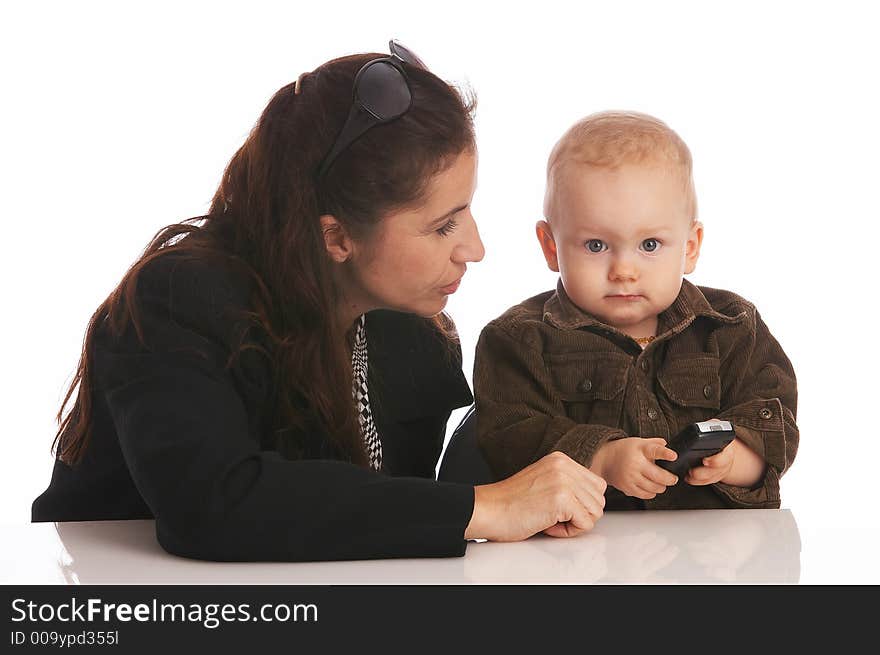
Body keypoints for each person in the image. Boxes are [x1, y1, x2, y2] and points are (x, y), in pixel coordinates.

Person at [32, 42, 607, 561]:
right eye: (442, 226)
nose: (475, 249)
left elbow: (374, 525)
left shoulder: (413, 335)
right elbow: (215, 506)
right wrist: (481, 508)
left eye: (467, 210)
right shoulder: (178, 300)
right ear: (335, 237)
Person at [474, 111, 798, 510]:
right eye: (596, 245)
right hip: (583, 559)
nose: (623, 272)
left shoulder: (730, 327)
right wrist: (601, 457)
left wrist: (735, 460)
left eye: (649, 245)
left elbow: (775, 422)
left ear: (690, 246)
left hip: (711, 556)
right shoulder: (519, 341)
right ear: (551, 246)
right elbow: (508, 437)